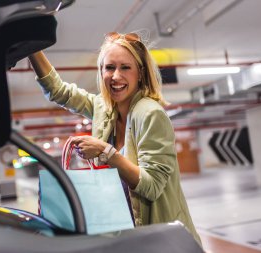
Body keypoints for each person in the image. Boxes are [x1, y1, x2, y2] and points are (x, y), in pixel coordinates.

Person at [28, 31, 202, 246]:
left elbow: (152, 186)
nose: (116, 76)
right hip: (126, 233)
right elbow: (59, 91)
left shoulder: (149, 114)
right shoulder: (104, 108)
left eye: (125, 67)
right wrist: (31, 46)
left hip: (161, 239)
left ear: (140, 73)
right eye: (109, 67)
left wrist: (106, 152)